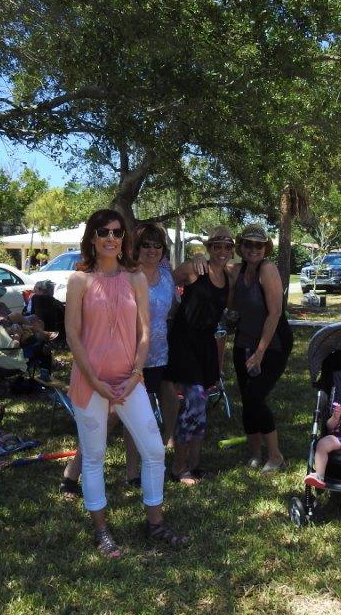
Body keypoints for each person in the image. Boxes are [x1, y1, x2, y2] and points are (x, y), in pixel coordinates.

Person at [65, 208, 186, 557]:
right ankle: (101, 531)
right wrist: (95, 381)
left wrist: (135, 375)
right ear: (92, 237)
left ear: (123, 239)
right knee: (94, 457)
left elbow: (145, 331)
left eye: (117, 232)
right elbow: (72, 335)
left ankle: (155, 523)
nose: (111, 238)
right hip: (90, 384)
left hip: (130, 381)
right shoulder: (79, 280)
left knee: (154, 450)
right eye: (103, 232)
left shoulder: (135, 278)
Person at [165, 225, 232, 484]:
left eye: (227, 247)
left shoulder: (229, 276)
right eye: (216, 246)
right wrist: (168, 312)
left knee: (201, 406)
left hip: (206, 345)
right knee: (194, 401)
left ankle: (195, 464)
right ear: (209, 248)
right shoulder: (194, 270)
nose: (222, 251)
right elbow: (162, 283)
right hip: (184, 343)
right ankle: (178, 467)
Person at [230, 223, 292, 472]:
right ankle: (255, 452)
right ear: (241, 246)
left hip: (273, 344)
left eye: (259, 245)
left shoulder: (267, 269)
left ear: (266, 248)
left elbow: (275, 313)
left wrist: (259, 353)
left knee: (256, 396)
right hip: (243, 340)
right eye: (248, 244)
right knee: (247, 399)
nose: (254, 248)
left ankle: (275, 456)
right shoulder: (238, 270)